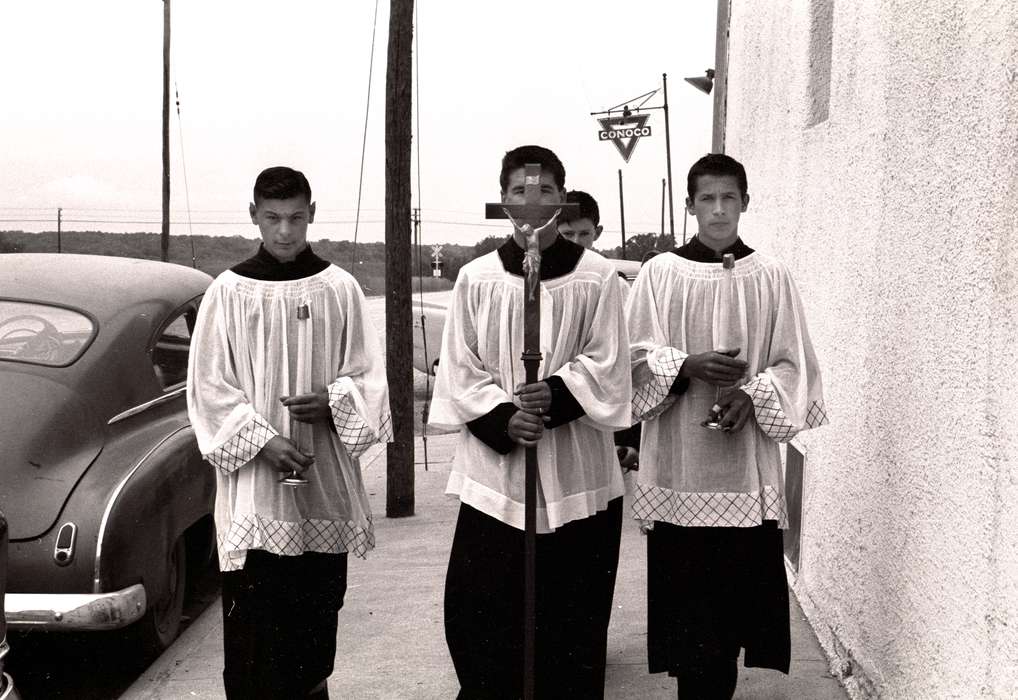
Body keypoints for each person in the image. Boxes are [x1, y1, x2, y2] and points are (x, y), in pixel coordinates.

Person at [429, 145, 632, 699]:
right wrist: (502, 417)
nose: (531, 201)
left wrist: (558, 394)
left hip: (576, 475)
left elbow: (610, 361)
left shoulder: (596, 277)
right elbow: (460, 367)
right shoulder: (475, 278)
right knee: (480, 619)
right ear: (503, 199)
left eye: (544, 191)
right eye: (520, 190)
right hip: (497, 482)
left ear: (561, 199)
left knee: (573, 626)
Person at [626, 153, 828, 699]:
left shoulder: (771, 276)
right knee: (692, 634)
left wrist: (751, 394)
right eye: (707, 199)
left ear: (745, 201)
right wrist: (684, 365)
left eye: (729, 198)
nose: (718, 210)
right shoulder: (660, 274)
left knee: (734, 625)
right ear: (689, 205)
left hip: (745, 474)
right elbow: (630, 356)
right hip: (679, 472)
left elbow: (796, 365)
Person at [186, 166, 391, 700]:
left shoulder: (339, 288)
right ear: (253, 215)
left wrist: (333, 400)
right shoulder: (228, 292)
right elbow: (208, 386)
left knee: (314, 626)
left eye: (295, 218)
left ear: (312, 215)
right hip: (257, 493)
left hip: (322, 484)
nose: (284, 232)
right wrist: (264, 441)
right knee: (255, 626)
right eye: (272, 218)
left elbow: (369, 375)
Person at [558, 189, 639, 473]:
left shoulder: (616, 286)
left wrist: (628, 437)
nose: (577, 243)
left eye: (584, 234)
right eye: (568, 235)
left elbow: (625, 364)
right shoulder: (542, 285)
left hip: (598, 418)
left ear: (598, 232)